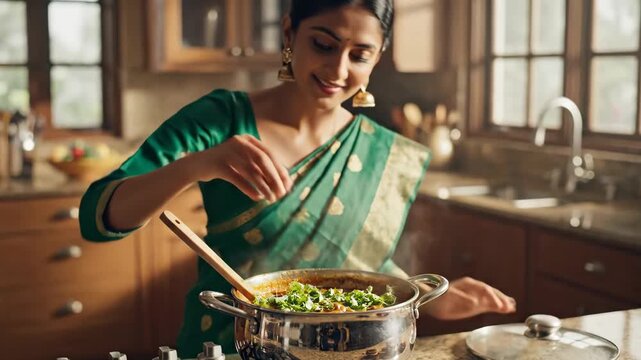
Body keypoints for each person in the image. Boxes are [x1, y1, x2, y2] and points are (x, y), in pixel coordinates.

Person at [79, 0, 516, 357]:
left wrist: (427, 294)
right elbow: (98, 217)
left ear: (378, 57)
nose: (338, 71)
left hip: (342, 352)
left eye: (360, 55)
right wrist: (197, 164)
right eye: (323, 45)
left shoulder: (380, 148)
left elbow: (355, 264)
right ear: (289, 34)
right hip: (230, 345)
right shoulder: (221, 119)